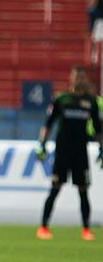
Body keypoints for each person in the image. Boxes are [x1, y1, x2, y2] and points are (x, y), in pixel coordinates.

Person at [36, 66, 103, 240]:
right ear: (70, 78)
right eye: (76, 77)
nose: (79, 80)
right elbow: (48, 123)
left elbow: (98, 128)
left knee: (83, 190)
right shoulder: (61, 99)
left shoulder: (91, 101)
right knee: (55, 188)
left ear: (86, 79)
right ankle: (43, 227)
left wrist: (102, 148)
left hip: (80, 152)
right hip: (62, 151)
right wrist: (42, 144)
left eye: (82, 77)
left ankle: (86, 229)